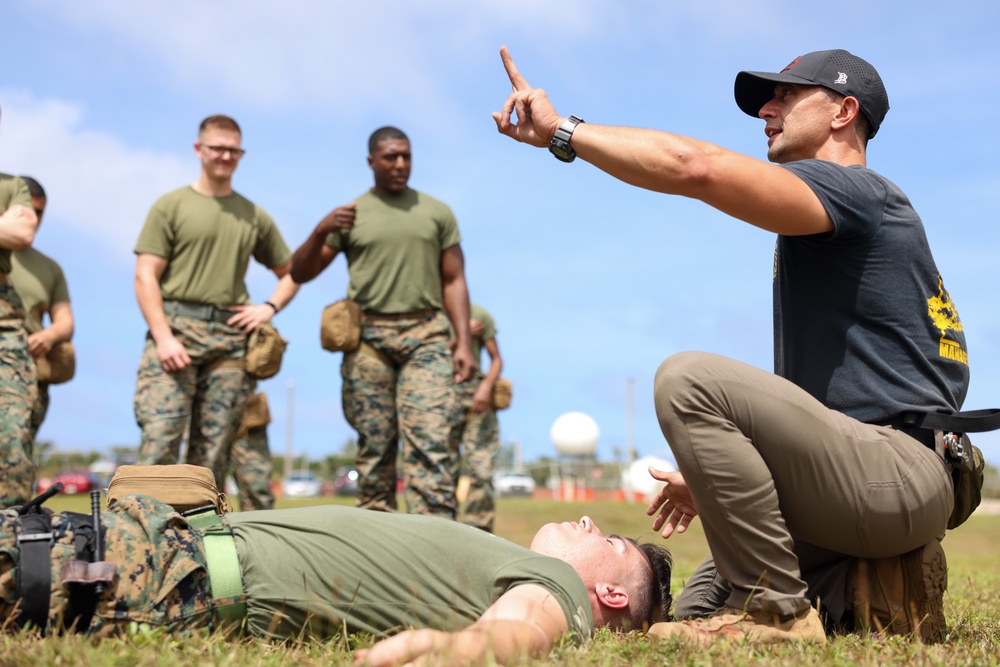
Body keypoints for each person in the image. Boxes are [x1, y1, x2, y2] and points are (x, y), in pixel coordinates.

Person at [493, 46, 967, 645]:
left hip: (897, 473)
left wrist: (566, 131)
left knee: (688, 380)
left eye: (787, 96)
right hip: (866, 479)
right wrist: (726, 474)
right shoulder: (834, 221)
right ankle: (864, 587)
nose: (767, 109)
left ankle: (782, 618)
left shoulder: (856, 193)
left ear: (845, 111)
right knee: (695, 612)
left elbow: (698, 167)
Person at [0, 493, 673, 666]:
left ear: (609, 594)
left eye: (607, 539)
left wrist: (453, 649)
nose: (589, 520)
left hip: (164, 572)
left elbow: (522, 629)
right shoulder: (518, 566)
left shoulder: (554, 584)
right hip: (160, 550)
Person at [290, 126, 475, 519]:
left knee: (431, 443)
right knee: (375, 449)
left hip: (426, 338)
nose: (400, 164)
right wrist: (321, 229)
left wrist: (462, 342)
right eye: (391, 157)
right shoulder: (350, 215)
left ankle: (439, 544)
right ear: (371, 161)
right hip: (368, 341)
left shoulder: (436, 212)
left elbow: (454, 280)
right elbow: (300, 272)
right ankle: (379, 548)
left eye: (406, 156)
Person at [133, 115, 299, 488]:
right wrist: (163, 337)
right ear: (199, 150)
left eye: (233, 150)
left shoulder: (254, 215)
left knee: (210, 457)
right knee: (160, 441)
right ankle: (137, 537)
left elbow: (291, 273)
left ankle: (199, 542)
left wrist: (268, 308)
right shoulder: (170, 205)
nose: (225, 156)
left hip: (229, 342)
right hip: (175, 332)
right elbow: (146, 276)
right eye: (218, 148)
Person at [9, 177, 75, 448]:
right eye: (28, 210)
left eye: (40, 212)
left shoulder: (49, 268)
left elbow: (66, 322)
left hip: (30, 374)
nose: (34, 219)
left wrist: (48, 336)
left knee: (17, 453)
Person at [0, 132, 39, 508]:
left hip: (4, 319)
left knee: (11, 432)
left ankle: (9, 536)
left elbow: (23, 231)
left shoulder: (12, 186)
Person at [449, 303, 503, 531]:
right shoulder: (430, 315)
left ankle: (478, 532)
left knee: (481, 469)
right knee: (438, 469)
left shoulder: (480, 315)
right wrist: (463, 335)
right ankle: (439, 530)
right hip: (438, 395)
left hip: (476, 397)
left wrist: (486, 387)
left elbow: (496, 359)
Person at [226, 387, 275, 511]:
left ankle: (259, 529)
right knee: (200, 486)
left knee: (256, 487)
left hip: (247, 413)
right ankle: (201, 529)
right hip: (201, 406)